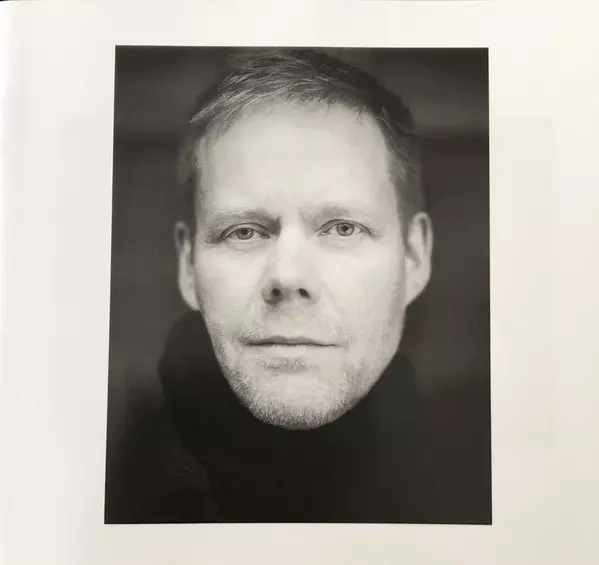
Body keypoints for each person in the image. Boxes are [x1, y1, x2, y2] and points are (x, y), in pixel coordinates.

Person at [106, 49, 441, 524]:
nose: (287, 276)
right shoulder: (94, 498)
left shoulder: (497, 490)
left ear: (414, 258)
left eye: (342, 228)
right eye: (244, 231)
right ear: (187, 266)